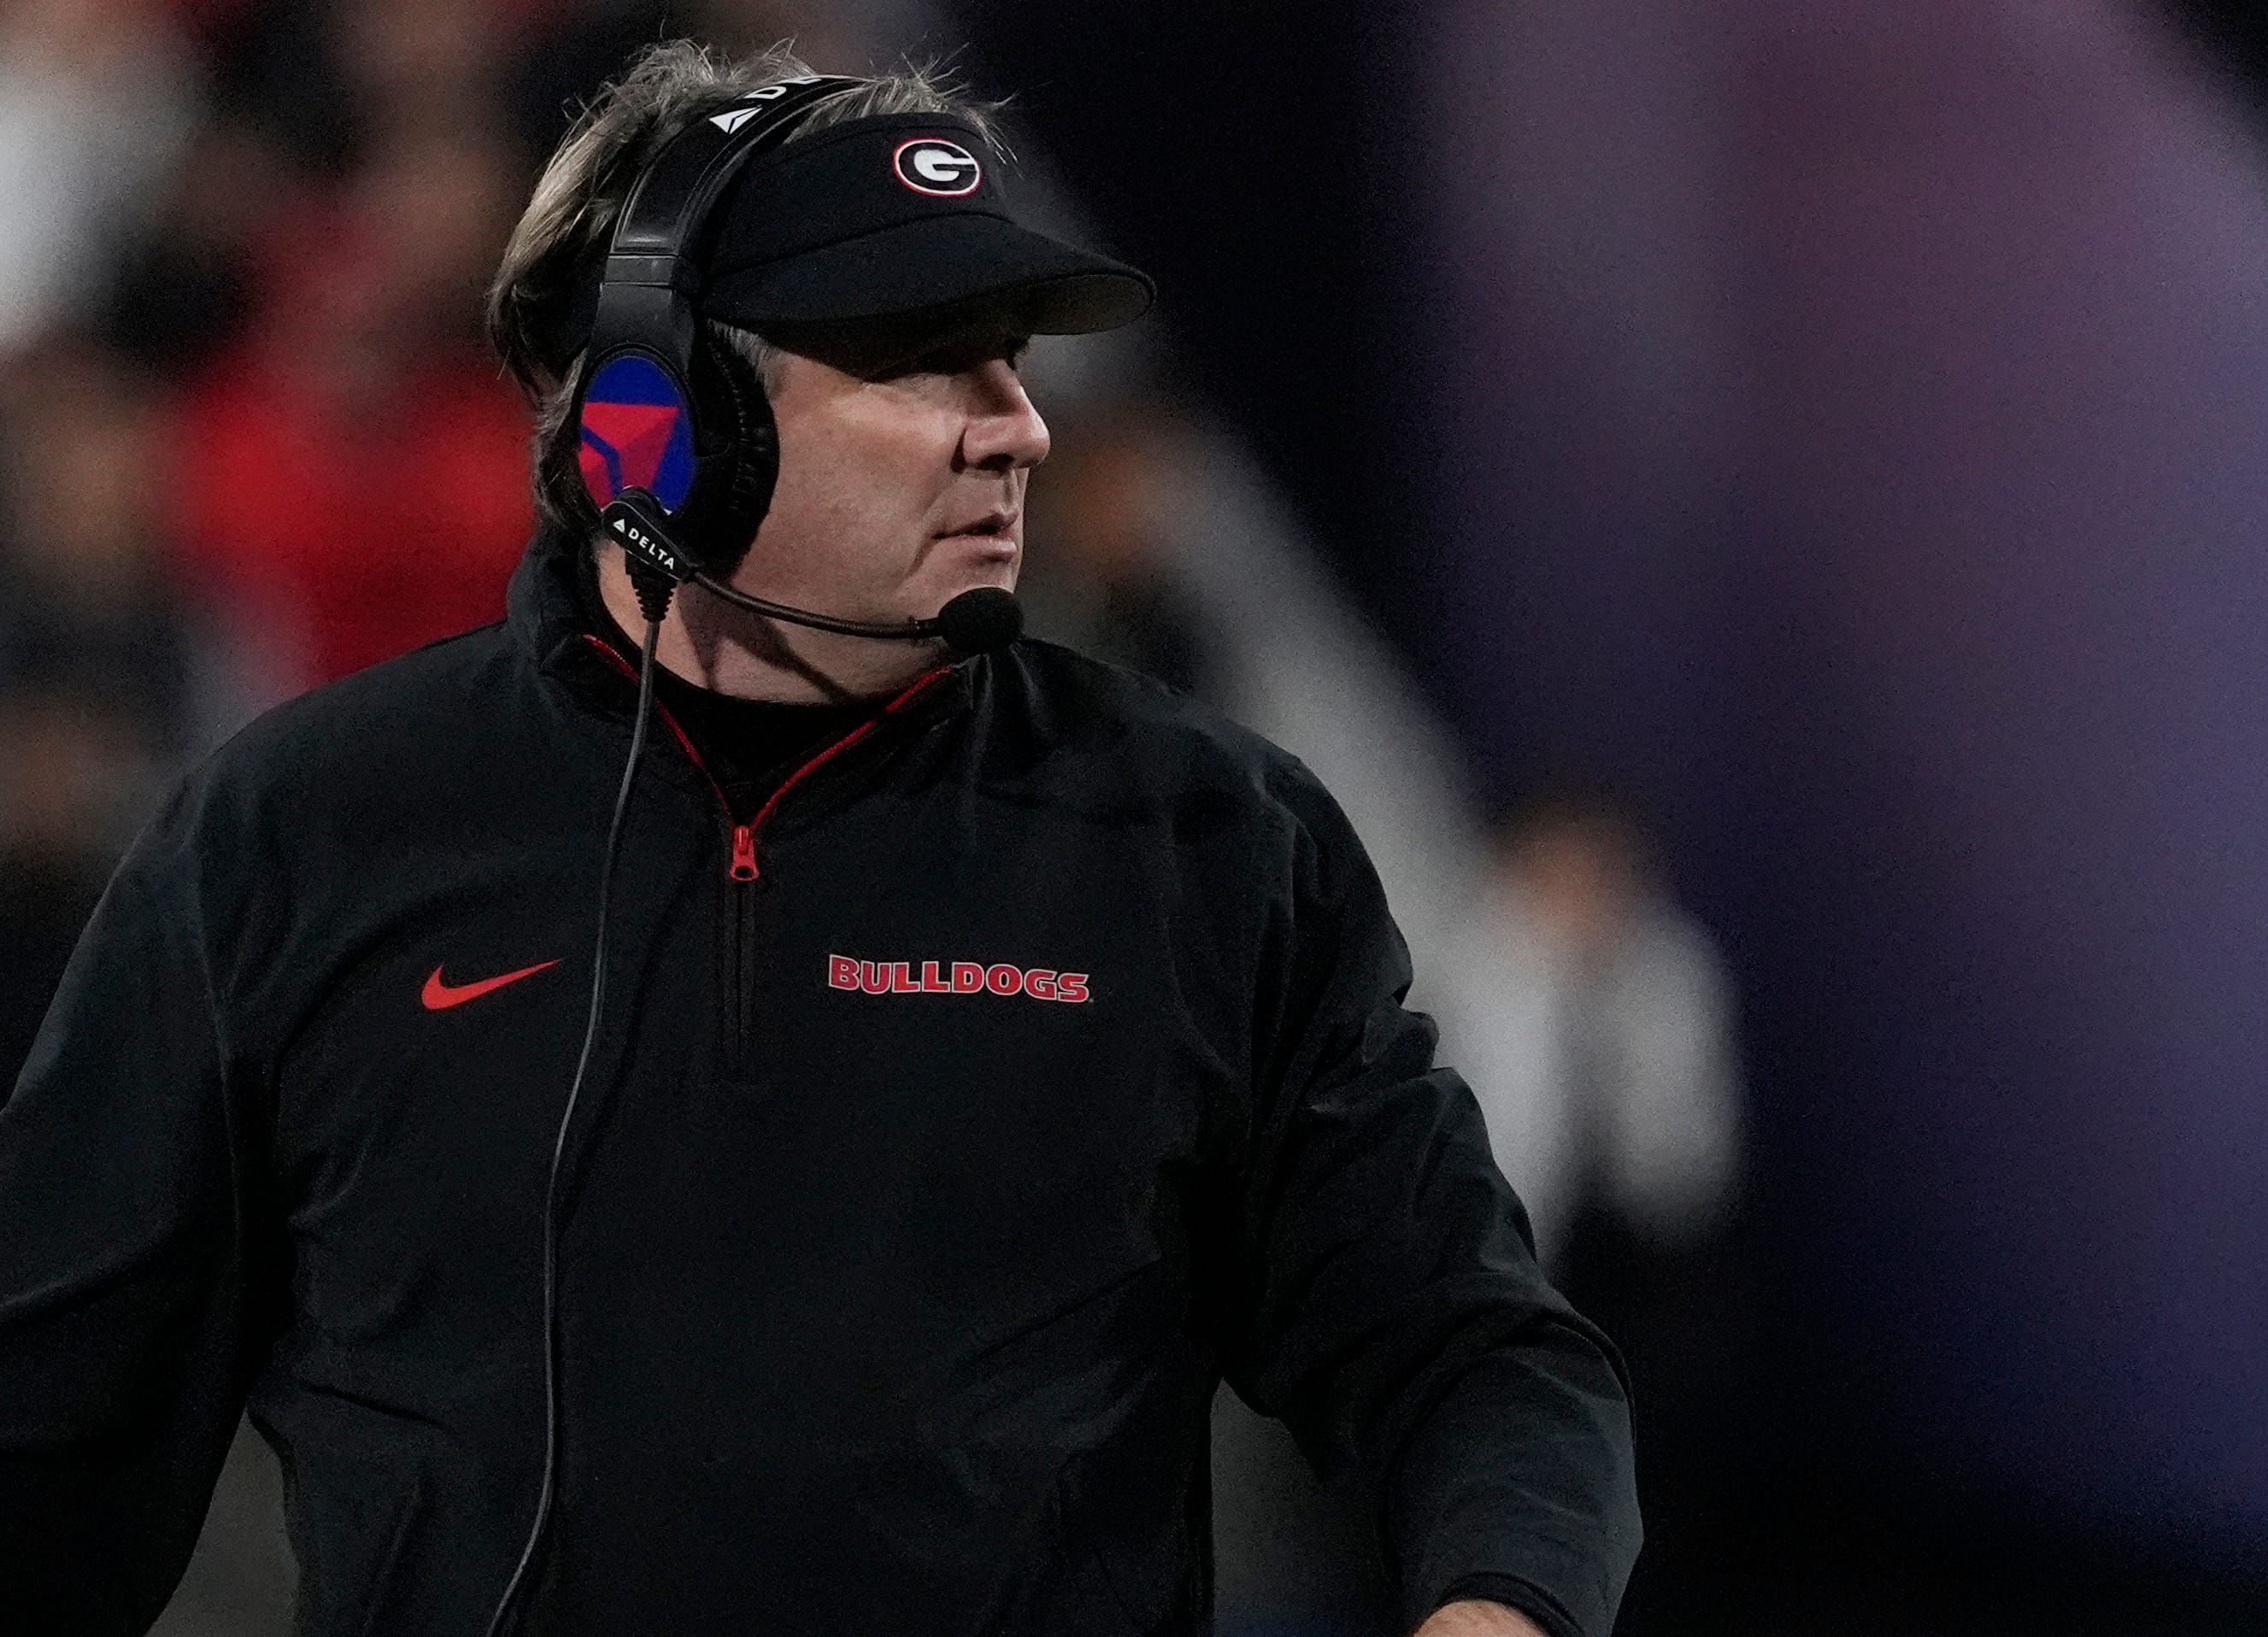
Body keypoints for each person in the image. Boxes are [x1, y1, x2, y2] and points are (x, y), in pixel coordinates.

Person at [0, 44, 1640, 1637]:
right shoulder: (296, 839)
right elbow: (46, 1447)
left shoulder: (1205, 836)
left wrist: (1498, 1606)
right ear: (658, 429)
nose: (1018, 427)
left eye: (1014, 358)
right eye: (927, 359)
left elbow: (1470, 1361)